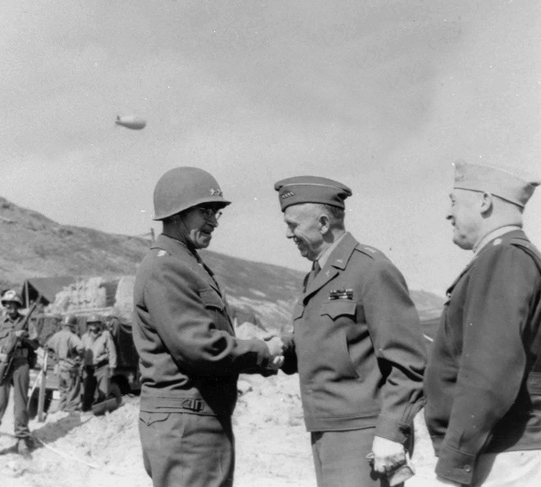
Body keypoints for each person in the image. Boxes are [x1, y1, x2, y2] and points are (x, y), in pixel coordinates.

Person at [133, 166, 284, 487]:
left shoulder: (187, 263)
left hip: (197, 421)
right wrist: (264, 351)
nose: (214, 221)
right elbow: (199, 347)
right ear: (176, 213)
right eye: (205, 211)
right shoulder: (168, 268)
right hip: (188, 426)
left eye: (216, 212)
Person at [273, 176, 427, 487]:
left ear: (323, 222)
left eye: (293, 225)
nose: (288, 234)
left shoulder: (371, 269)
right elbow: (329, 340)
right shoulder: (317, 275)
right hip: (326, 429)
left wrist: (391, 433)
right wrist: (284, 348)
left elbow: (408, 363)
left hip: (364, 433)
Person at [424, 160, 541, 486]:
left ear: (485, 202)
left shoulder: (503, 257)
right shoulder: (504, 256)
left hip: (502, 454)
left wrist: (454, 462)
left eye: (453, 202)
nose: (448, 214)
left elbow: (489, 371)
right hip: (500, 448)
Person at [0, 290, 39, 463]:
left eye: (13, 304)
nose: (9, 306)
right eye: (6, 303)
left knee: (21, 404)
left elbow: (36, 344)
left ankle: (22, 442)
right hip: (2, 364)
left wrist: (25, 337)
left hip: (20, 364)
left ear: (18, 305)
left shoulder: (27, 322)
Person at [46, 314, 85, 413]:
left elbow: (47, 347)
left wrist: (54, 357)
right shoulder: (72, 336)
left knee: (62, 390)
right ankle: (71, 410)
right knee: (72, 390)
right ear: (72, 325)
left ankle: (62, 409)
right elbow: (81, 347)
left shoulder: (57, 335)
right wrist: (78, 357)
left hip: (60, 366)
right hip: (70, 366)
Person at [81, 315, 118, 411]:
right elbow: (82, 353)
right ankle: (87, 414)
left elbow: (112, 351)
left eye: (95, 323)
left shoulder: (105, 335)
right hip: (89, 368)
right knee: (88, 393)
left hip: (102, 367)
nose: (93, 325)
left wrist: (112, 368)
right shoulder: (84, 337)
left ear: (99, 324)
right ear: (87, 325)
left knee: (103, 392)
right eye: (90, 323)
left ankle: (102, 414)